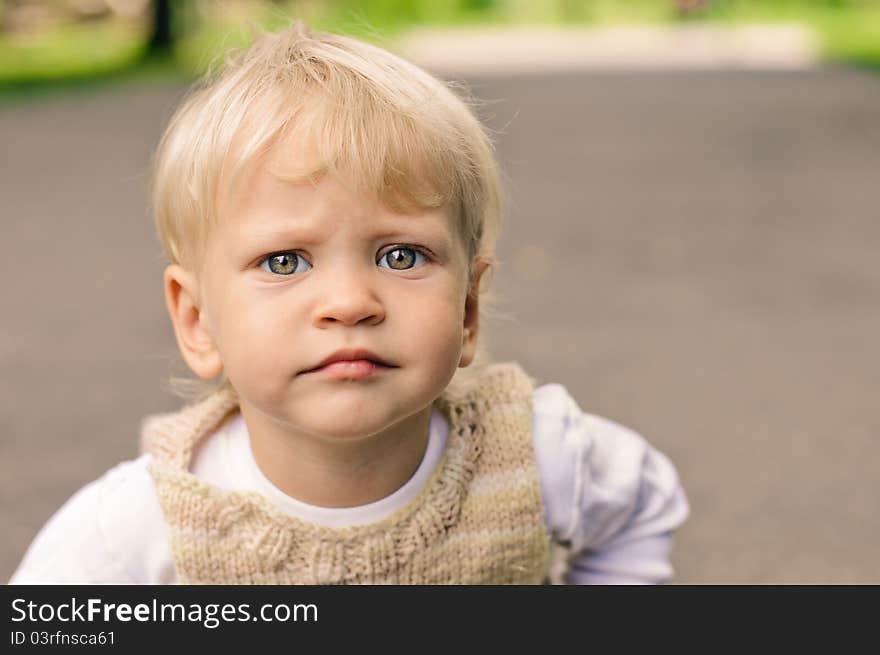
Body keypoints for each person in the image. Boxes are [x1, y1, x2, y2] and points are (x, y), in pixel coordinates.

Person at [10, 21, 688, 585]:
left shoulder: (534, 457)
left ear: (470, 308)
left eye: (401, 256)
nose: (349, 302)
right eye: (284, 261)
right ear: (197, 318)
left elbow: (641, 504)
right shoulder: (146, 522)